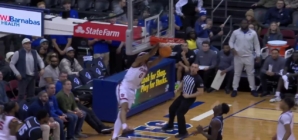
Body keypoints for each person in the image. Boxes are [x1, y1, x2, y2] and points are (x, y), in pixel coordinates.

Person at [112, 44, 164, 139]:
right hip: (124, 86)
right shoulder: (136, 63)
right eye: (141, 56)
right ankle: (125, 127)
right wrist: (157, 45)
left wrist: (164, 52)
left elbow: (158, 59)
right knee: (123, 107)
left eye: (142, 56)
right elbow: (150, 54)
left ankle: (114, 137)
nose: (141, 57)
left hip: (132, 90)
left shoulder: (147, 66)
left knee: (122, 113)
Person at [162, 63, 204, 138]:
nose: (194, 69)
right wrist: (177, 89)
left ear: (198, 69)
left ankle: (183, 132)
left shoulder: (198, 79)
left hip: (189, 98)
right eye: (193, 67)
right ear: (190, 67)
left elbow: (201, 92)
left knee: (180, 113)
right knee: (172, 108)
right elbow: (183, 82)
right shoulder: (187, 74)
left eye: (195, 67)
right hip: (182, 96)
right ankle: (170, 125)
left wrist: (189, 96)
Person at [228, 19, 261, 97]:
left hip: (249, 56)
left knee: (251, 74)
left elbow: (256, 44)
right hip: (238, 56)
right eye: (242, 23)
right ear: (240, 24)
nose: (243, 24)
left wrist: (258, 55)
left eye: (245, 23)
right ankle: (235, 89)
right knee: (237, 73)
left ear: (248, 23)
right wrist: (232, 48)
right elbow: (230, 41)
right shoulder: (235, 32)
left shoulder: (253, 33)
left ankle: (253, 89)